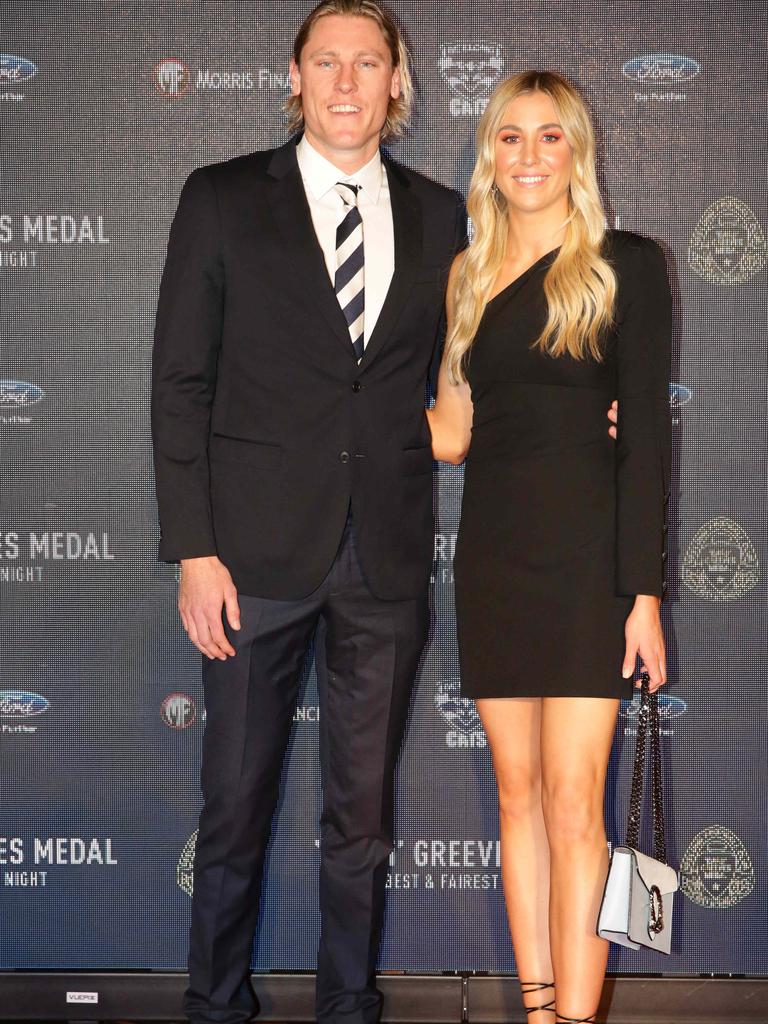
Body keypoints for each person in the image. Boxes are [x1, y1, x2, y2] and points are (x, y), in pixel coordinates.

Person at [151, 2, 467, 1022]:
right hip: (249, 558)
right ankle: (216, 1002)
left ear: (395, 81)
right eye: (325, 61)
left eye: (366, 62)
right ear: (294, 77)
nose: (345, 82)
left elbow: (469, 373)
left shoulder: (444, 214)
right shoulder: (222, 198)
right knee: (234, 806)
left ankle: (347, 1005)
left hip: (383, 558)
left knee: (361, 817)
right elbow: (180, 385)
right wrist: (194, 550)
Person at [426, 71, 671, 1024]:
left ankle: (576, 1020)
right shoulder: (464, 274)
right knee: (517, 798)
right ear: (489, 152)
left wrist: (641, 595)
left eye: (549, 137)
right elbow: (451, 430)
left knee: (576, 806)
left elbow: (648, 437)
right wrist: (333, 408)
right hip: (492, 557)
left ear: (578, 151)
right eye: (510, 137)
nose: (528, 156)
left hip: (587, 566)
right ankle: (537, 1013)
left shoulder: (625, 265)